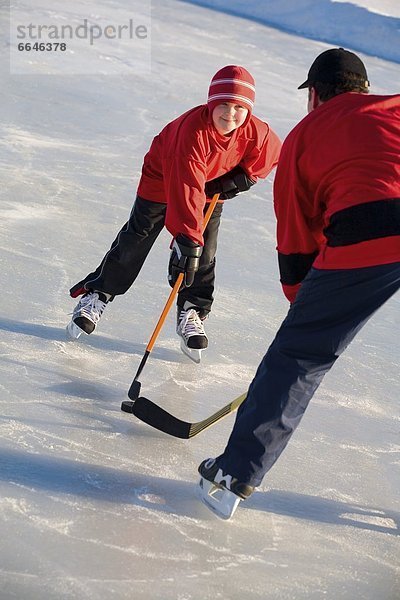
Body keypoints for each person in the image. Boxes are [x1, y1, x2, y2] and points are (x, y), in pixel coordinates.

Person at [198, 48, 400, 519]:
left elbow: (295, 240)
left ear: (313, 94)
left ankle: (233, 475)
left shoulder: (304, 136)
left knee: (299, 356)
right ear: (365, 90)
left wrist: (302, 305)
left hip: (366, 232)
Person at [67, 65, 281, 360]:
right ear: (211, 103)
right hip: (163, 179)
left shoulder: (256, 131)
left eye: (238, 107)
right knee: (138, 238)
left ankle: (193, 311)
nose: (230, 114)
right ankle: (98, 294)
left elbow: (272, 153)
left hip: (207, 187)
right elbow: (185, 187)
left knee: (205, 253)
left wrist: (239, 179)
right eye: (223, 105)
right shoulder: (193, 132)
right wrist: (186, 239)